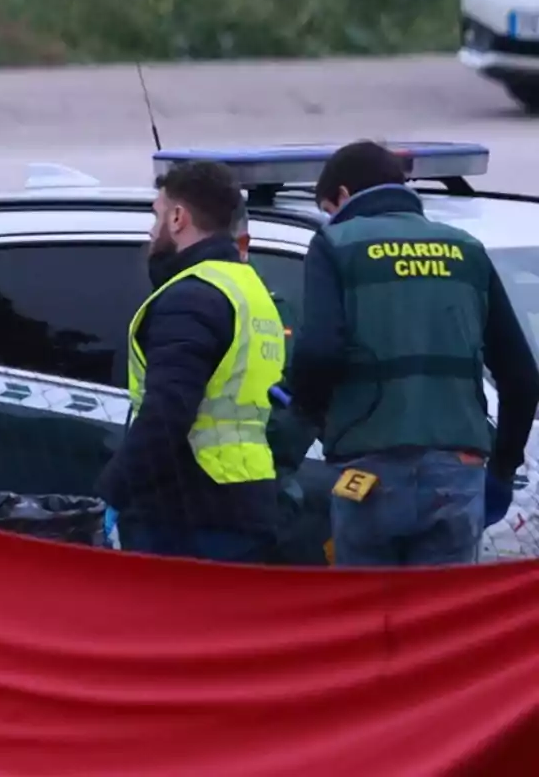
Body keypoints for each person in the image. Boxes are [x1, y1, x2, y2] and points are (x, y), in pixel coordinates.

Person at [285, 140, 539, 566]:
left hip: (366, 473)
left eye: (328, 208)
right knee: (439, 623)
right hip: (458, 473)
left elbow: (319, 353)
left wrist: (299, 428)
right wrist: (501, 469)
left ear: (344, 196)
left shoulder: (336, 244)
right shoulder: (465, 249)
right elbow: (521, 376)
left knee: (370, 618)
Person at [95, 160, 287, 562]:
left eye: (157, 215)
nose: (152, 231)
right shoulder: (249, 289)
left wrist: (113, 491)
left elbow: (167, 412)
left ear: (178, 218)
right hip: (246, 498)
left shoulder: (191, 297)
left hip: (188, 513)